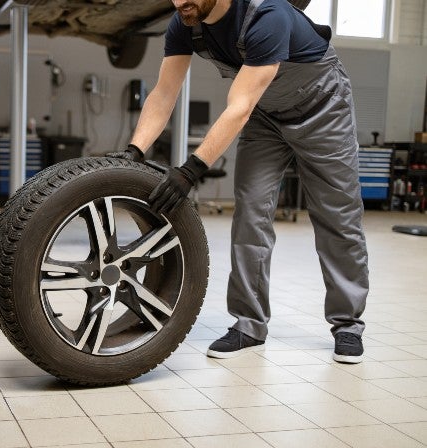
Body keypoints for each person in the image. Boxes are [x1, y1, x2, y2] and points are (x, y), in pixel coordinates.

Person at [107, 0, 369, 364]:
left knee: (337, 218)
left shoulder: (267, 15)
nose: (180, 1)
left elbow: (239, 106)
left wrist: (191, 170)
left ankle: (347, 325)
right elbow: (165, 91)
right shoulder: (185, 21)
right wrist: (135, 150)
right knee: (250, 214)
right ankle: (249, 325)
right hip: (267, 116)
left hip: (322, 108)